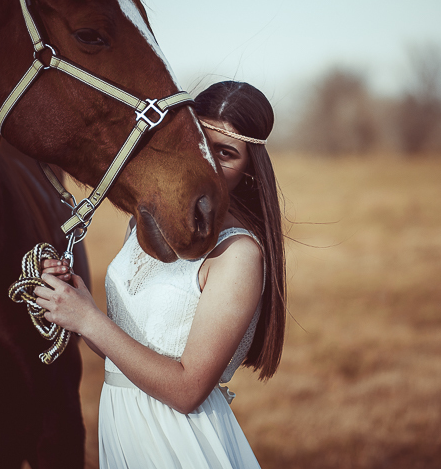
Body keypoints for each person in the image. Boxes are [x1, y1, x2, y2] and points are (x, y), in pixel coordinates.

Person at [35, 80, 287, 468]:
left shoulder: (238, 255)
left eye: (226, 153)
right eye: (199, 138)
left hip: (179, 440)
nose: (206, 159)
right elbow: (120, 350)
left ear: (250, 170)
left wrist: (88, 319)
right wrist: (76, 305)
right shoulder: (145, 222)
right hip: (122, 425)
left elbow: (188, 390)